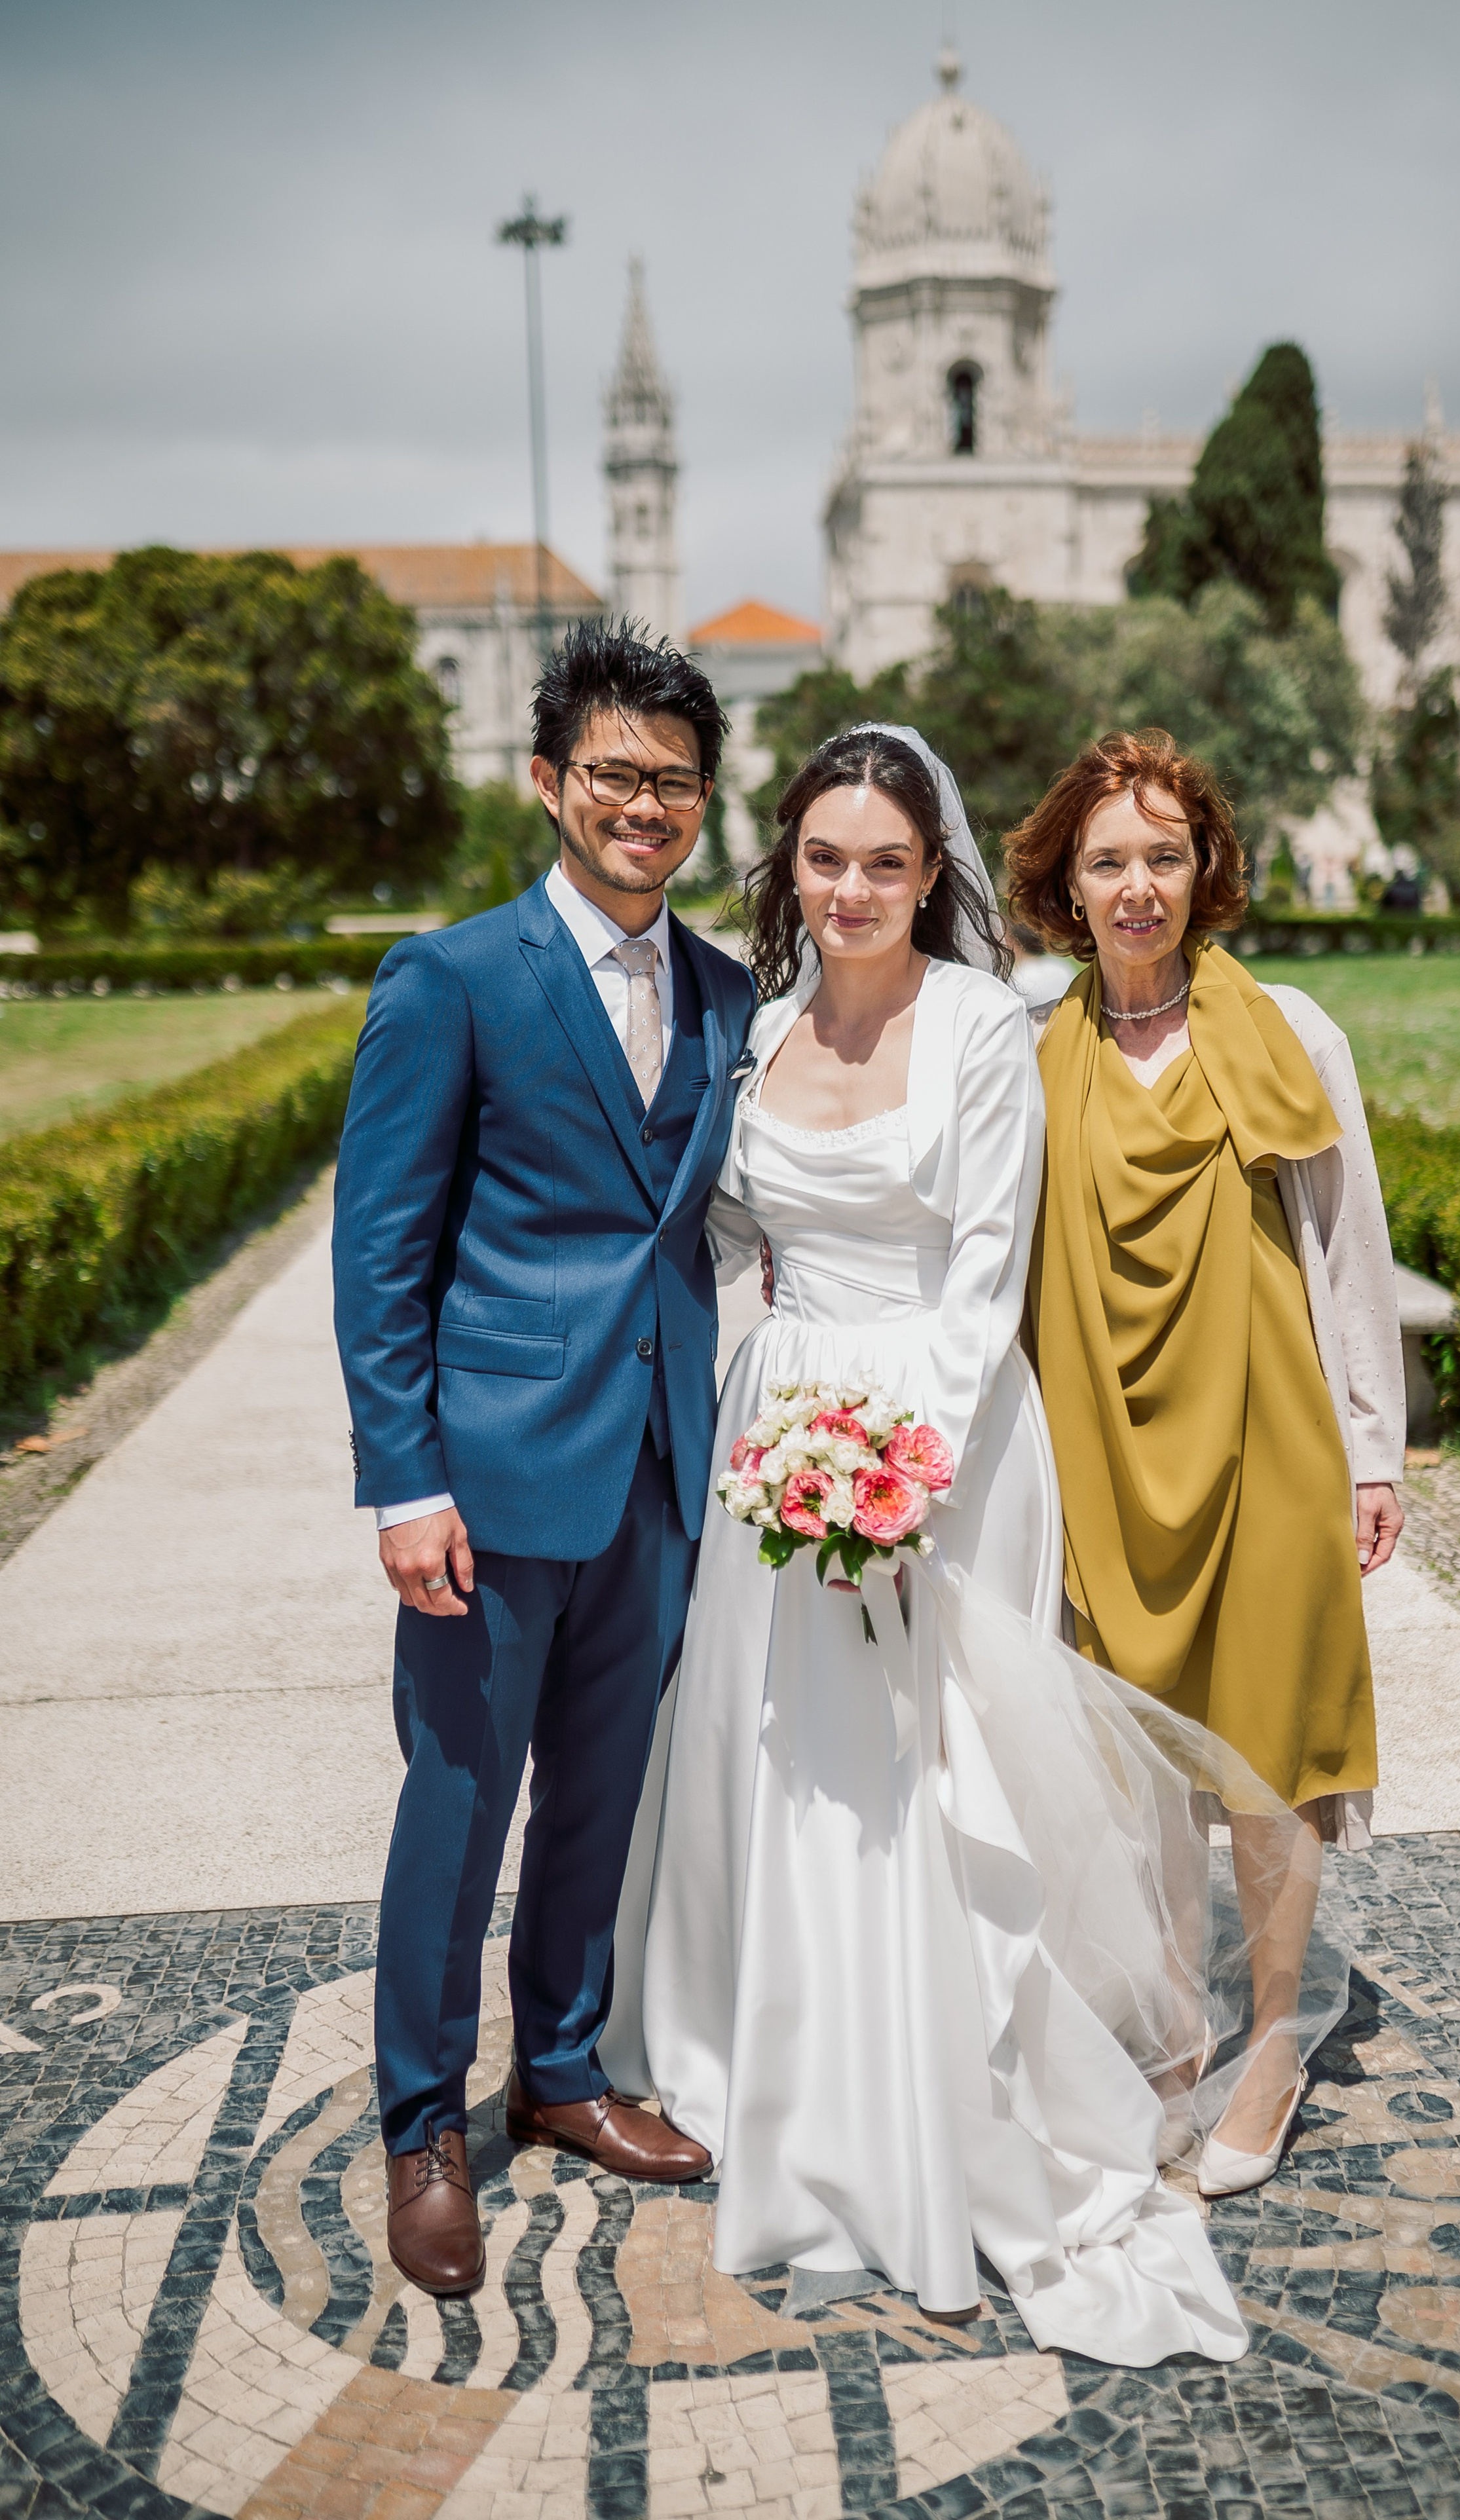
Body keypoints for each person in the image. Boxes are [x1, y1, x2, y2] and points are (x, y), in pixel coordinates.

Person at [605, 725, 1343, 2368]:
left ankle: (973, 2063)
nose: (853, 886)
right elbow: (729, 1230)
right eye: (823, 857)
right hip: (777, 1430)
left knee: (939, 1775)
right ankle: (777, 2052)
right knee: (782, 1764)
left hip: (935, 1447)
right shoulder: (760, 1025)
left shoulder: (982, 1032)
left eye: (884, 859)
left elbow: (984, 1265)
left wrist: (894, 1476)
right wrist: (776, 1417)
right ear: (786, 868)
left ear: (928, 872)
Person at [332, 618, 756, 2297]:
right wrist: (402, 1479)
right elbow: (382, 1252)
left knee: (602, 1797)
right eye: (614, 773)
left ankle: (564, 2070)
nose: (644, 804)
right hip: (489, 1479)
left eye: (673, 780)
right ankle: (422, 2123)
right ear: (548, 783)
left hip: (659, 1471)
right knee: (456, 1798)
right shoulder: (448, 979)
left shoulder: (726, 992)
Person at [1006, 730, 1405, 2198]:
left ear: (1205, 868)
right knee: (1142, 1758)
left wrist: (1373, 1448)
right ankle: (1174, 2027)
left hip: (1270, 1445)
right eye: (1106, 859)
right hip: (1103, 1444)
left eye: (1163, 855)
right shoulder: (1033, 1046)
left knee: (1268, 1758)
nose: (1136, 885)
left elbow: (1347, 1245)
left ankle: (1272, 2047)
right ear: (1063, 879)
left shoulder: (1290, 1031)